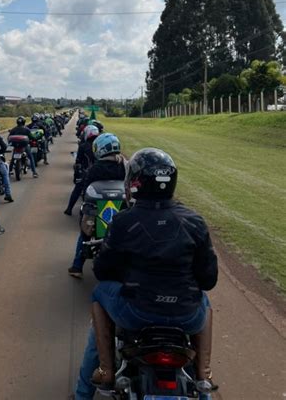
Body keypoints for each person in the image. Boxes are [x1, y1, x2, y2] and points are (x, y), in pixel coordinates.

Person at [74, 148, 218, 400]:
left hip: (137, 313)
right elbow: (208, 279)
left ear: (135, 183)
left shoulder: (123, 221)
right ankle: (203, 376)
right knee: (204, 300)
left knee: (98, 294)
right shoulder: (194, 221)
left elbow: (102, 270)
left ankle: (102, 375)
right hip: (187, 317)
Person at [68, 133, 127, 278]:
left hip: (96, 209)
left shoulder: (95, 168)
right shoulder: (125, 165)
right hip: (120, 207)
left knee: (84, 233)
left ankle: (77, 266)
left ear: (100, 149)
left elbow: (86, 189)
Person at [64, 124, 99, 216]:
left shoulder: (83, 146)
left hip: (86, 172)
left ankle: (69, 209)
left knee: (77, 188)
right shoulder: (100, 145)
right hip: (99, 172)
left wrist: (76, 175)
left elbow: (78, 161)